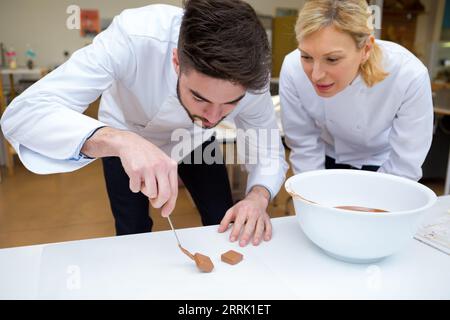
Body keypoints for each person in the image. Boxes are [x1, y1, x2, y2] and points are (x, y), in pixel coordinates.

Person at [0, 0, 287, 247]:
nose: (213, 118)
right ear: (177, 61)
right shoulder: (135, 36)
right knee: (132, 231)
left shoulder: (252, 77)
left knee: (221, 217)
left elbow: (269, 152)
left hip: (194, 142)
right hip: (124, 134)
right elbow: (23, 114)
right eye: (200, 97)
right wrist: (119, 141)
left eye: (230, 104)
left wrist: (258, 197)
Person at [280, 0, 433, 181]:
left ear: (366, 49)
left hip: (384, 164)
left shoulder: (408, 75)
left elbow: (405, 161)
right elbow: (304, 143)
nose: (316, 75)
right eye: (306, 57)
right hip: (324, 158)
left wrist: (375, 205)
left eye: (332, 59)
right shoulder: (292, 68)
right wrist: (315, 194)